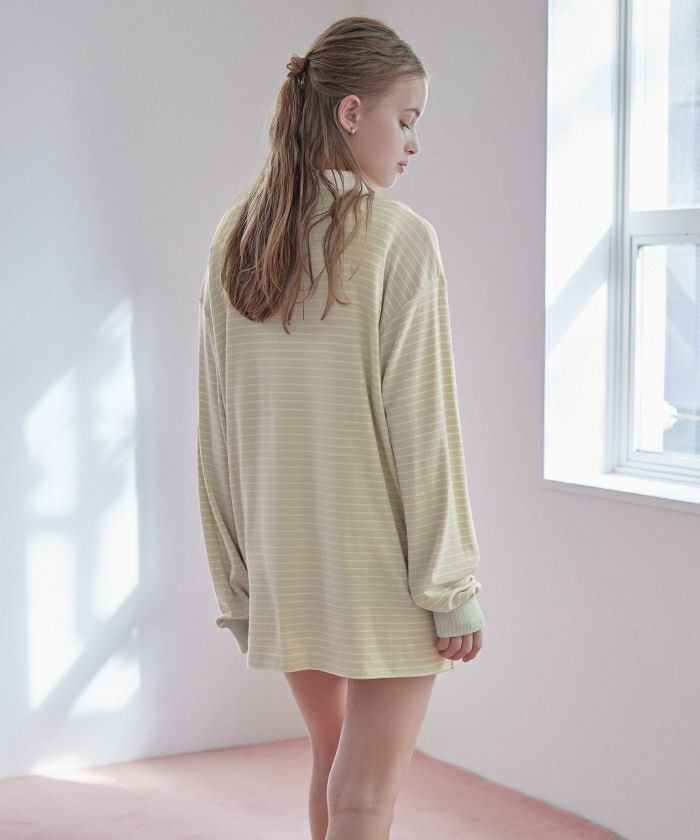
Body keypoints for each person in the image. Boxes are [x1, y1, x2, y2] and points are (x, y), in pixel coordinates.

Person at [196, 15, 485, 840]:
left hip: (285, 564)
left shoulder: (237, 240)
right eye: (407, 118)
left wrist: (237, 586)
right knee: (364, 795)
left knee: (332, 764)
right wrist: (452, 591)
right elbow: (424, 433)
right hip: (381, 570)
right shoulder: (399, 239)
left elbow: (215, 430)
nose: (414, 142)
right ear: (352, 112)